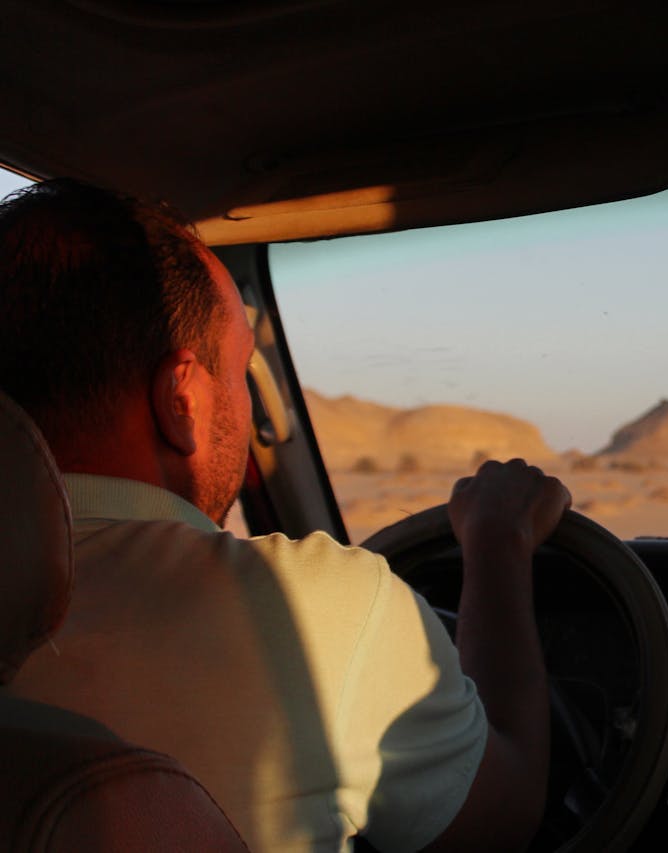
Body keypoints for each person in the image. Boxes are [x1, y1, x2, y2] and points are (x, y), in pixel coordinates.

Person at [0, 178, 570, 852]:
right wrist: (498, 543)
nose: (246, 410)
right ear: (180, 400)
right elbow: (503, 816)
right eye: (241, 370)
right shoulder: (316, 610)